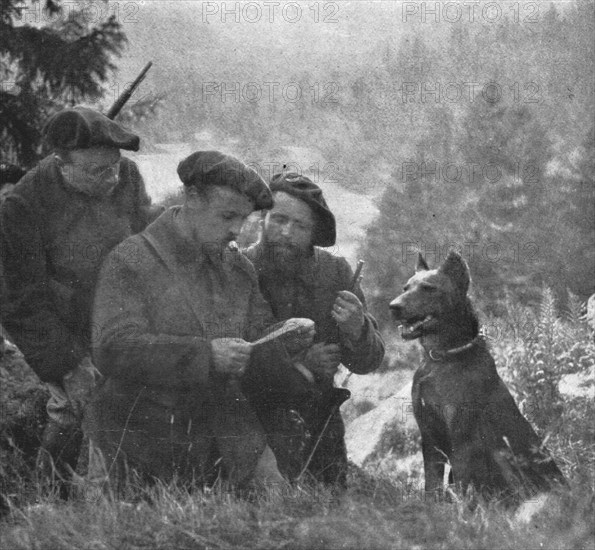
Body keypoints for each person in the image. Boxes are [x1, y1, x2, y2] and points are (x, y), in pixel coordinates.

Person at [84, 151, 314, 494]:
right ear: (192, 198)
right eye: (227, 216)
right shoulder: (132, 260)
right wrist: (205, 357)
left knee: (279, 510)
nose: (236, 230)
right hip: (141, 435)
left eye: (244, 219)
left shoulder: (237, 269)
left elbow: (256, 334)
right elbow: (112, 349)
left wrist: (283, 337)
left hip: (226, 431)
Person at [0, 107, 162, 494]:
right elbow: (22, 301)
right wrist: (69, 365)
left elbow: (143, 236)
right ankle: (49, 498)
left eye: (115, 167)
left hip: (119, 313)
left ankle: (129, 494)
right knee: (71, 408)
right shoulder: (23, 206)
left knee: (134, 404)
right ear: (60, 164)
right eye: (96, 172)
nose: (112, 179)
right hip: (61, 323)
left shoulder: (125, 178)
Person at [242, 172, 385, 488]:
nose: (286, 233)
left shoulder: (335, 273)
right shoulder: (240, 268)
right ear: (263, 217)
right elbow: (231, 355)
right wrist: (300, 365)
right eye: (278, 219)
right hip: (253, 420)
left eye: (300, 226)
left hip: (320, 425)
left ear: (314, 233)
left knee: (327, 513)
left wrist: (356, 327)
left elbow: (368, 361)